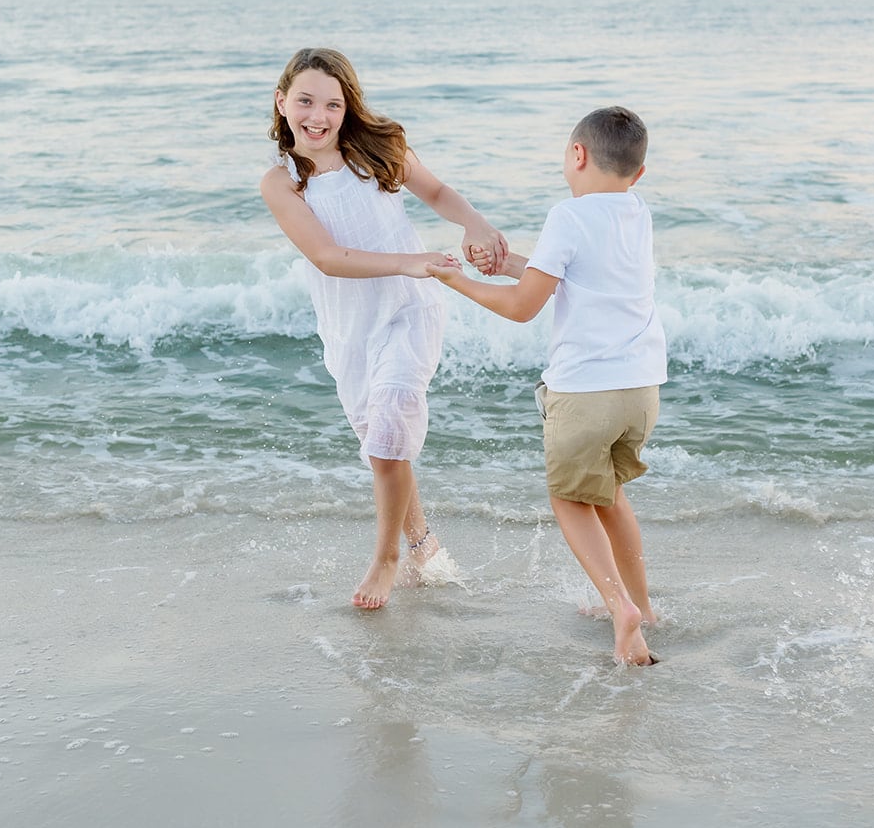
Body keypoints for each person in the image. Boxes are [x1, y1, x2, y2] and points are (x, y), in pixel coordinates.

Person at [260, 47, 507, 610]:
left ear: (348, 109)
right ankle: (422, 542)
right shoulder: (282, 183)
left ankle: (386, 559)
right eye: (305, 101)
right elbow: (326, 256)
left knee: (391, 425)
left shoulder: (377, 153)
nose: (317, 116)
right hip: (351, 326)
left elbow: (438, 193)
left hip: (410, 306)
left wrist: (478, 224)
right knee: (384, 447)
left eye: (332, 104)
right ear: (282, 101)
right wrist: (409, 259)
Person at [428, 106, 666, 666]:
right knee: (609, 494)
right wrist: (508, 261)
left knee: (570, 498)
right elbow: (577, 278)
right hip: (641, 389)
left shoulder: (568, 215)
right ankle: (644, 605)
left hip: (585, 391)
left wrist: (454, 279)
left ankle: (619, 608)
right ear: (639, 173)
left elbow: (521, 308)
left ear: (576, 156)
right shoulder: (638, 212)